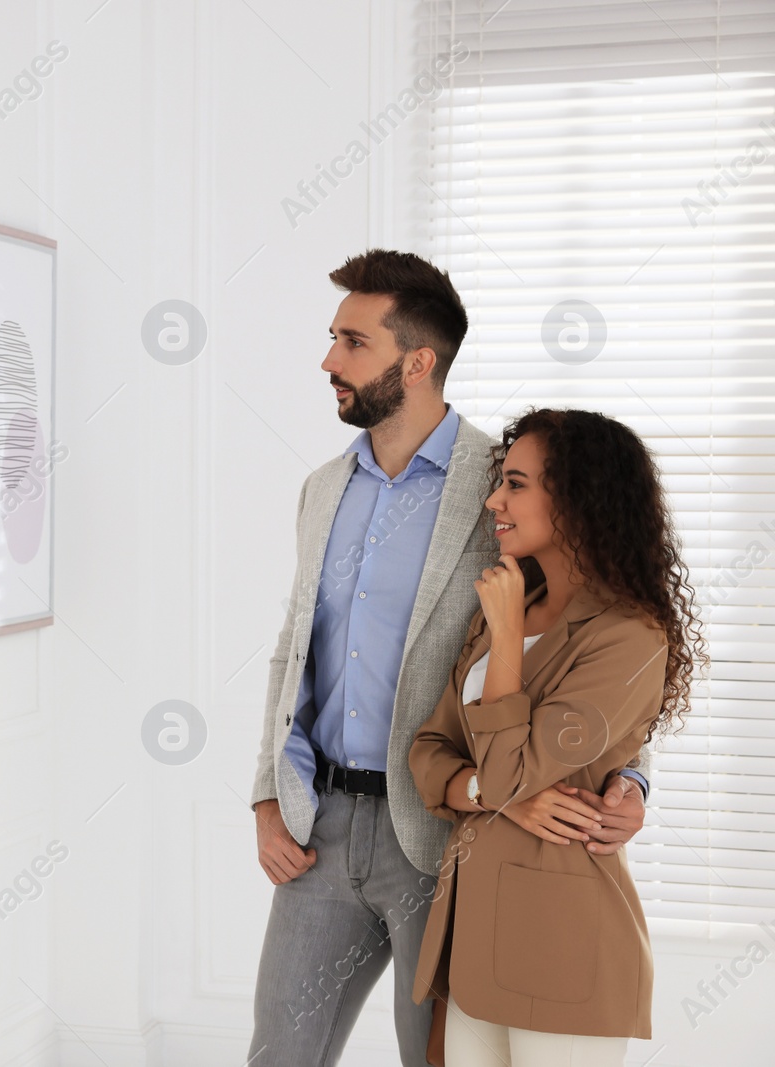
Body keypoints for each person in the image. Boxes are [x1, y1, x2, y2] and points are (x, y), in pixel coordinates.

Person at [248, 250, 652, 1067]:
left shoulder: (501, 489)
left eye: (352, 342)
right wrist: (266, 792)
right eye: (334, 337)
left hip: (444, 832)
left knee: (436, 1056)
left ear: (418, 360)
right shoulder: (323, 488)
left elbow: (581, 637)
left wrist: (631, 777)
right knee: (280, 1055)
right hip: (320, 824)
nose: (329, 359)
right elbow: (295, 648)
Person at [408, 408, 703, 1065]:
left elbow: (516, 772)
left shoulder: (629, 636)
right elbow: (429, 751)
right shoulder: (505, 610)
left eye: (515, 483)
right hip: (474, 938)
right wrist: (485, 788)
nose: (495, 500)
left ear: (575, 498)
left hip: (564, 943)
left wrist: (510, 637)